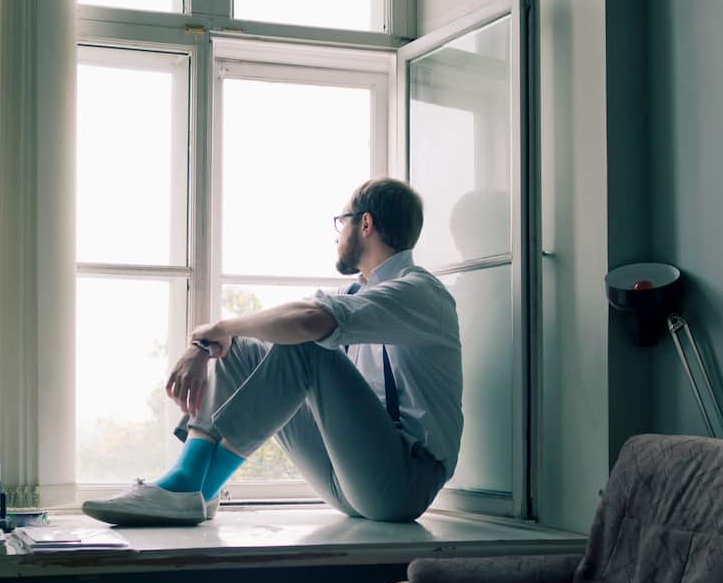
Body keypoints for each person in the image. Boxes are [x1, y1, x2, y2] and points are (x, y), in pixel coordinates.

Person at [81, 177, 463, 526]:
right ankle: (195, 487)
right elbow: (296, 326)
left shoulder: (419, 293)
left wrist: (218, 328)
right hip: (350, 478)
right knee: (245, 350)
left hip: (403, 484)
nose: (335, 235)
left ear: (365, 225)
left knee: (307, 346)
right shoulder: (355, 296)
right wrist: (208, 345)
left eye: (340, 222)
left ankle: (184, 490)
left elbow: (309, 322)